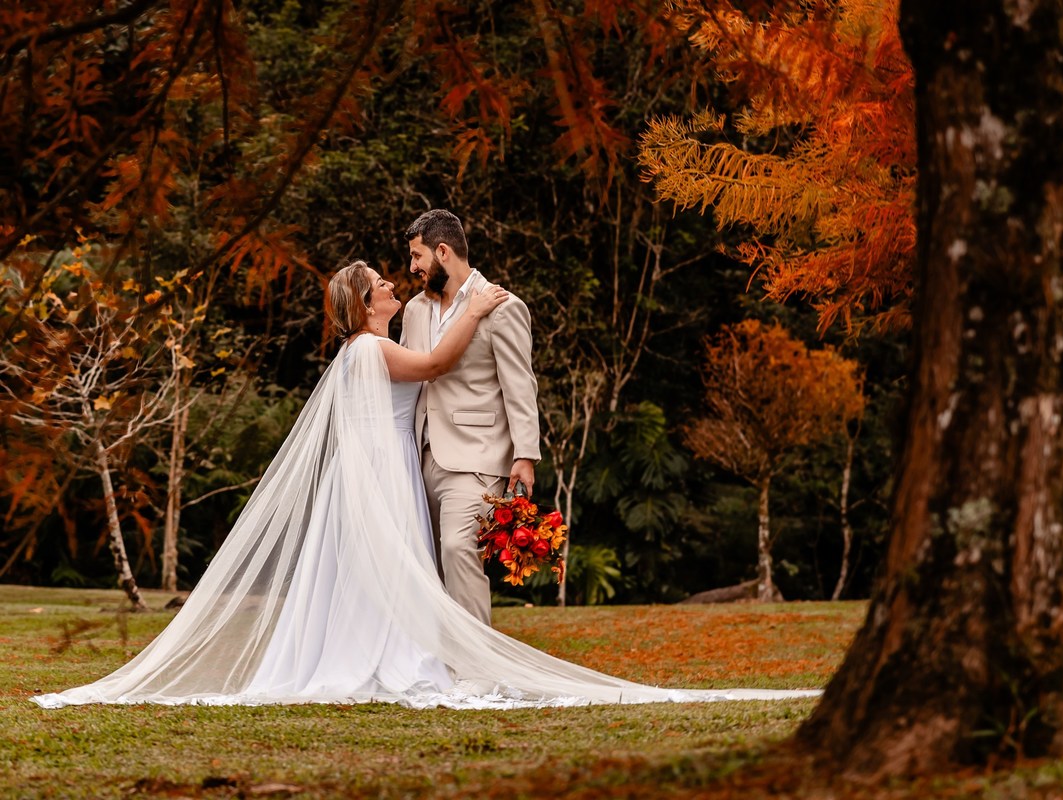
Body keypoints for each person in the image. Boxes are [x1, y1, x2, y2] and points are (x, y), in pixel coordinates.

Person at [31, 261, 819, 709]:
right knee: (395, 568)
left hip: (392, 467)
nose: (391, 287)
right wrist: (475, 305)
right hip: (386, 472)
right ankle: (401, 661)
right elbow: (438, 366)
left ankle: (395, 653)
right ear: (364, 303)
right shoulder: (370, 350)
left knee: (383, 574)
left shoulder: (362, 350)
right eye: (381, 285)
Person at [401, 209, 537, 626]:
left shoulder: (503, 306)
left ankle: (477, 673)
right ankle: (443, 668)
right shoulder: (414, 310)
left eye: (417, 256)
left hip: (478, 456)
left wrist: (525, 454)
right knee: (430, 564)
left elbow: (520, 385)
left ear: (442, 251)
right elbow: (410, 377)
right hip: (421, 456)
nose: (413, 267)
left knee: (459, 549)